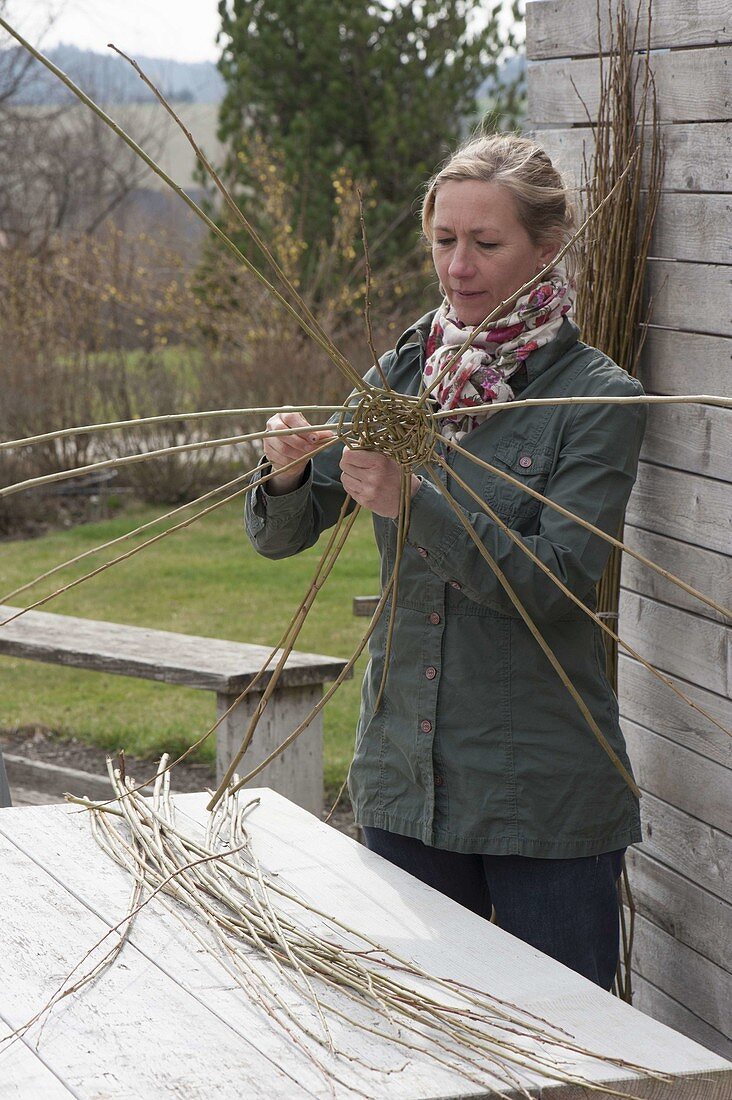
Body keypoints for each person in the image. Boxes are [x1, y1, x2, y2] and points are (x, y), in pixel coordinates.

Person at [245, 133, 646, 991]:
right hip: (404, 782)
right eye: (443, 241)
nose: (458, 267)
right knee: (415, 1048)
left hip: (543, 798)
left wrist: (413, 504)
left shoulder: (599, 400)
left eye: (486, 244)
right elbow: (282, 535)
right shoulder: (405, 373)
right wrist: (285, 472)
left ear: (546, 249)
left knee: (573, 1056)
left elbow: (555, 586)